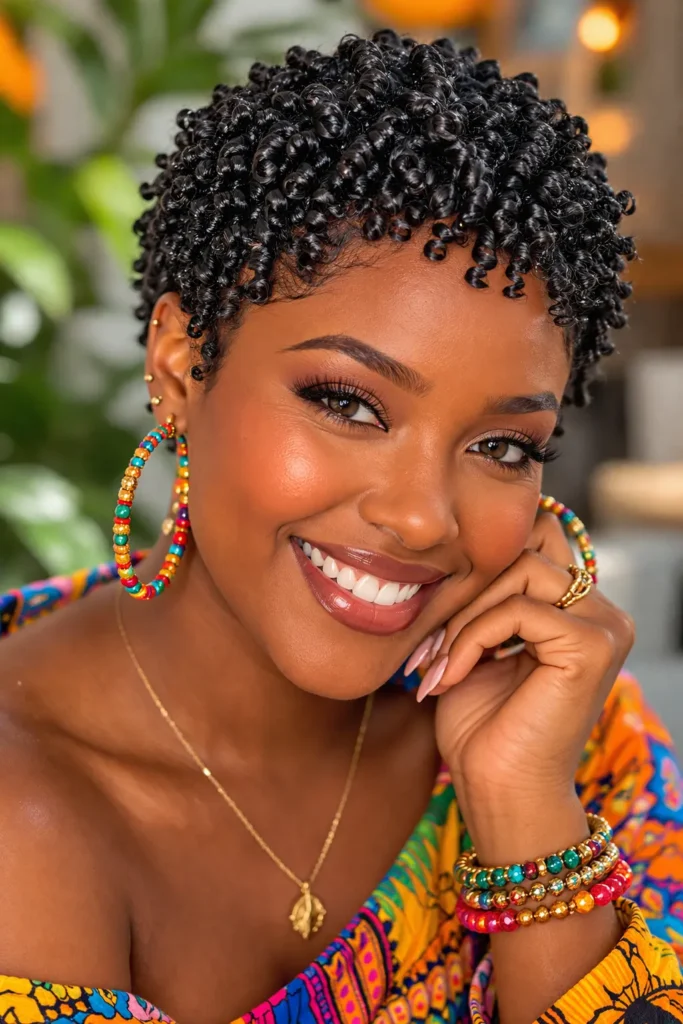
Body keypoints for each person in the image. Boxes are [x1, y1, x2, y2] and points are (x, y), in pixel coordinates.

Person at [0, 28, 681, 1024]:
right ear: (181, 365)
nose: (420, 516)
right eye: (347, 402)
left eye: (501, 446)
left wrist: (522, 807)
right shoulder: (20, 810)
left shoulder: (576, 742)